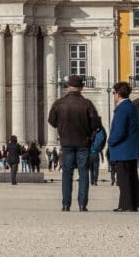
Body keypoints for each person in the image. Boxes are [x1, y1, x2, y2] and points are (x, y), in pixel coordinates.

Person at [47, 75, 101, 212]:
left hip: (66, 142)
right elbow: (95, 123)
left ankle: (66, 204)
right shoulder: (87, 104)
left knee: (67, 173)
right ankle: (82, 204)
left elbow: (51, 121)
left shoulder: (59, 103)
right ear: (82, 88)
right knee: (83, 174)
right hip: (83, 142)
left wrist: (61, 126)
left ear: (68, 86)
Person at [108, 81, 139, 212]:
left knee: (123, 179)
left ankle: (126, 204)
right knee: (132, 177)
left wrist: (110, 142)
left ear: (118, 94)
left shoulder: (122, 108)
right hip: (131, 148)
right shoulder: (132, 106)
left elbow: (119, 130)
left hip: (123, 149)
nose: (113, 96)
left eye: (113, 93)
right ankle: (132, 204)